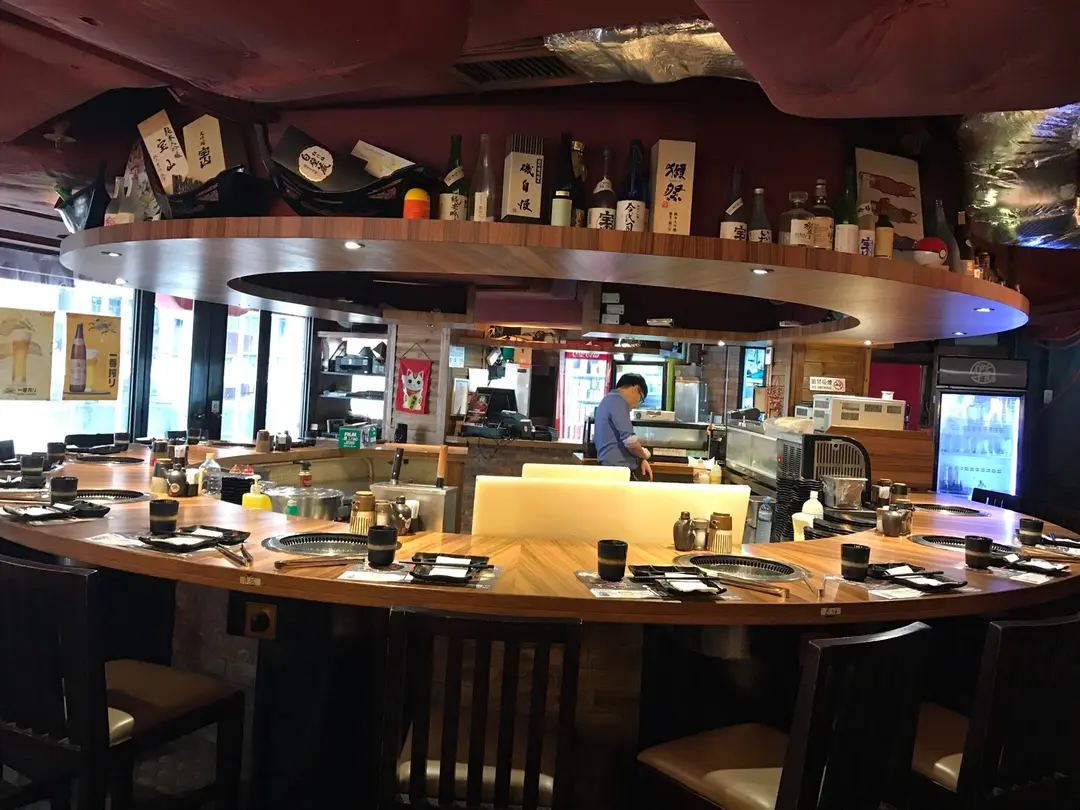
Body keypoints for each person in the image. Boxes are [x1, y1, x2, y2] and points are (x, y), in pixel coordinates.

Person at [593, 373, 653, 481]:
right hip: (617, 473)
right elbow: (631, 442)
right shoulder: (618, 402)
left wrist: (640, 459)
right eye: (640, 399)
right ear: (635, 389)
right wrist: (644, 455)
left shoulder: (608, 399)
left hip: (610, 469)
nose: (636, 405)